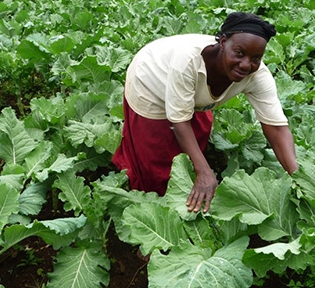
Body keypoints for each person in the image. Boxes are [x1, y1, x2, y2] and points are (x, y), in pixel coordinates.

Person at [112, 12, 298, 213]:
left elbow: (277, 128)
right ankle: (153, 208)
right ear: (223, 42)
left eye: (256, 58)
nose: (246, 64)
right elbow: (179, 122)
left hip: (189, 93)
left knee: (196, 137)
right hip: (150, 79)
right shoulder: (188, 61)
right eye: (239, 53)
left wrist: (297, 176)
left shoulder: (257, 75)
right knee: (156, 160)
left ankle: (191, 190)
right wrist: (204, 172)